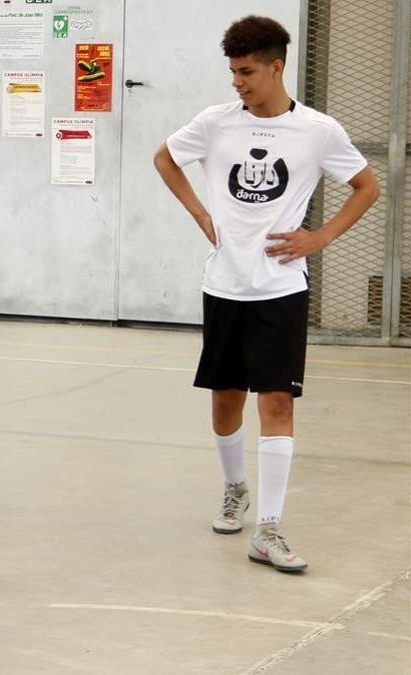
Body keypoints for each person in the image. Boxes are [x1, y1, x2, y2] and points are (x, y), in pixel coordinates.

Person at [153, 15, 378, 573]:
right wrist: (201, 212)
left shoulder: (319, 131)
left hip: (280, 287)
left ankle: (270, 529)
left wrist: (320, 235)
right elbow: (164, 159)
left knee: (277, 401)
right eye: (232, 71)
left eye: (247, 71)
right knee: (226, 399)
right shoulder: (214, 123)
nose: (238, 81)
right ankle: (235, 489)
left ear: (276, 67)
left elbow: (367, 185)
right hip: (224, 284)